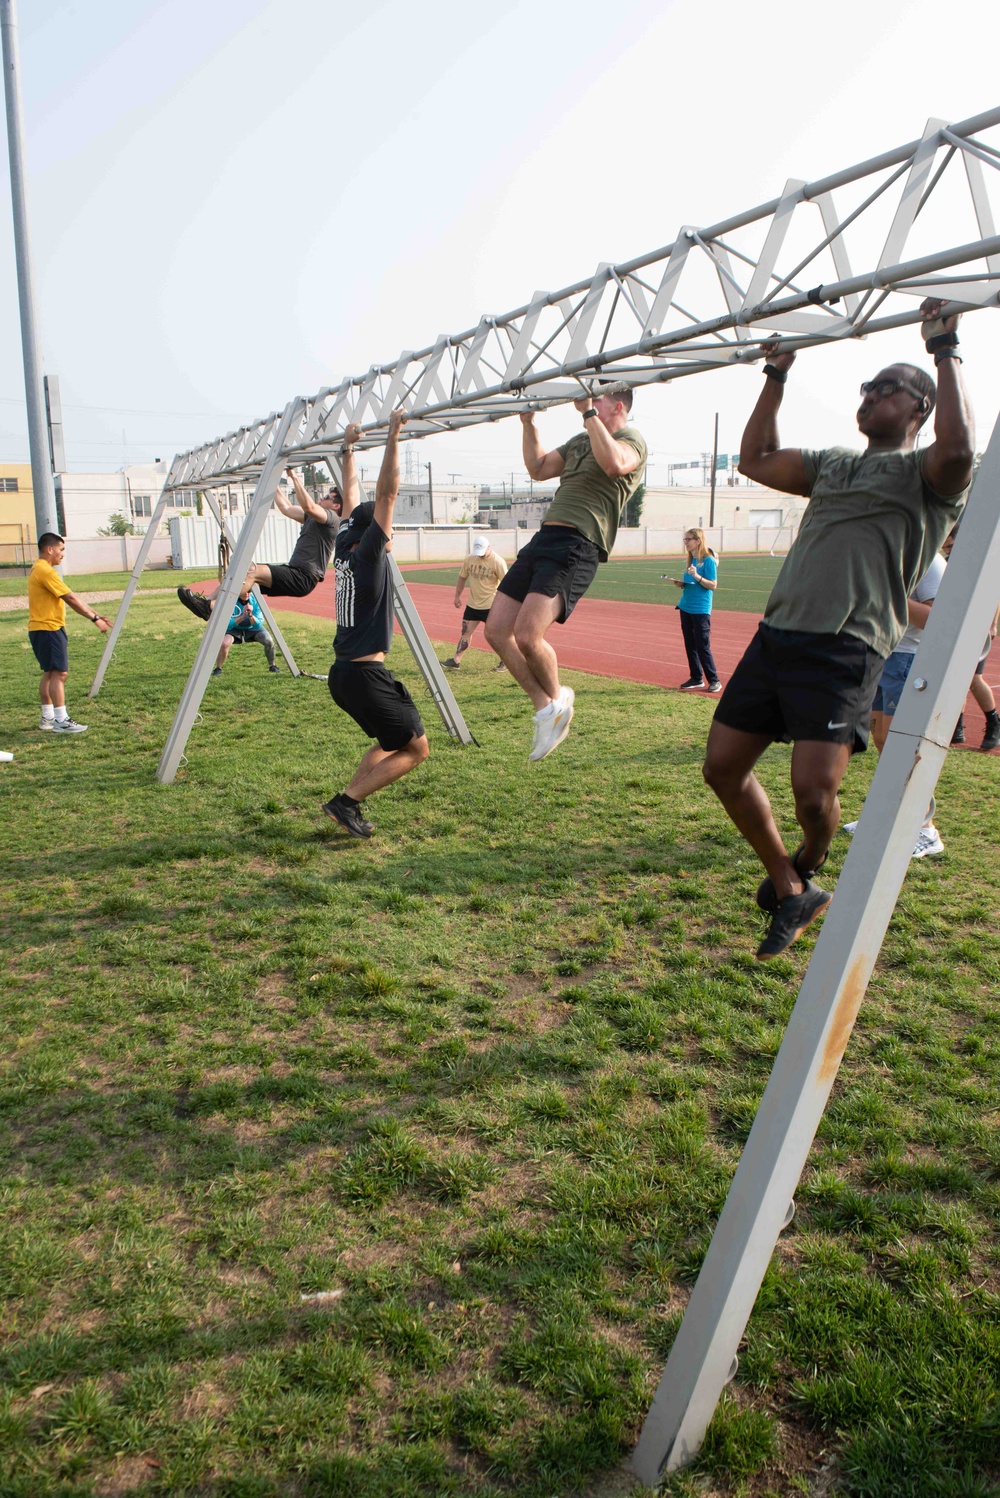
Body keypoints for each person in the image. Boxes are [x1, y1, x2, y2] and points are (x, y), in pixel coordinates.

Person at [703, 297, 973, 959]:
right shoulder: (833, 464)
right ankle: (791, 885)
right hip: (780, 634)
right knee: (722, 768)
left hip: (848, 646)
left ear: (919, 409)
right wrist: (777, 375)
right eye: (866, 387)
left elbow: (962, 448)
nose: (870, 395)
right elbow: (756, 456)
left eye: (887, 389)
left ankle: (811, 856)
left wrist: (944, 348)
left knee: (814, 792)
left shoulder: (927, 477)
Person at [485, 385, 646, 760]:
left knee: (527, 634)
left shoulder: (630, 439)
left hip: (578, 543)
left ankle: (557, 700)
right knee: (495, 630)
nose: (589, 404)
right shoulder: (580, 439)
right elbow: (538, 468)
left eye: (598, 400)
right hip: (545, 537)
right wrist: (528, 423)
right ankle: (547, 706)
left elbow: (614, 465)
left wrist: (588, 415)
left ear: (616, 406)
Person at [324, 410, 429, 838]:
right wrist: (394, 433)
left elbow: (353, 499)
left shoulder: (345, 544)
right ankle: (346, 802)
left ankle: (347, 801)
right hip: (364, 674)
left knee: (391, 740)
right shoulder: (368, 555)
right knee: (417, 748)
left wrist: (347, 450)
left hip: (345, 674)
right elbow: (385, 494)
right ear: (375, 532)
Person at [177, 424, 362, 619]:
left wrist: (295, 478)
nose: (323, 498)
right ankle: (209, 604)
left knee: (251, 571)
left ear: (336, 506)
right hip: (294, 571)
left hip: (305, 577)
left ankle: (213, 607)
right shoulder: (313, 518)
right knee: (243, 569)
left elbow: (308, 506)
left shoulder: (332, 519)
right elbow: (286, 507)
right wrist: (269, 478)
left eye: (328, 497)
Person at [844, 548, 947, 858]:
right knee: (883, 740)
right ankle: (888, 817)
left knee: (905, 747)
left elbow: (933, 617)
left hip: (908, 660)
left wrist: (886, 594)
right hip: (883, 653)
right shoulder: (889, 556)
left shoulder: (929, 561)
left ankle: (925, 829)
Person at [28, 533, 111, 735]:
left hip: (41, 629)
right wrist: (94, 619)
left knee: (49, 672)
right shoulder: (46, 572)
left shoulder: (39, 568)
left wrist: (96, 614)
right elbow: (71, 599)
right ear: (50, 550)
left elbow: (72, 596)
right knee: (59, 673)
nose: (63, 554)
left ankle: (48, 718)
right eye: (61, 549)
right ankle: (61, 720)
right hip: (49, 630)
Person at [943, 526, 1000, 751]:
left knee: (973, 679)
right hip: (953, 626)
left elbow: (993, 591)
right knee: (952, 676)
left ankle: (994, 722)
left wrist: (992, 624)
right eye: (946, 547)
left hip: (975, 627)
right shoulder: (946, 563)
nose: (948, 550)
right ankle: (956, 725)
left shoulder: (977, 561)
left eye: (951, 545)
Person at [444, 535, 508, 670]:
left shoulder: (498, 562)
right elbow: (462, 577)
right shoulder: (470, 559)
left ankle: (505, 662)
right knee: (465, 633)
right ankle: (456, 660)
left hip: (491, 606)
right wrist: (457, 596)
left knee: (496, 636)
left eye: (483, 552)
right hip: (473, 604)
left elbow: (507, 584)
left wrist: (504, 604)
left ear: (489, 548)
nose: (480, 555)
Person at [671, 528, 721, 692]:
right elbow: (691, 583)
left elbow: (712, 585)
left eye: (688, 539)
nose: (685, 543)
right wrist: (680, 583)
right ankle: (696, 677)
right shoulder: (691, 560)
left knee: (702, 645)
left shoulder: (709, 561)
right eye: (684, 540)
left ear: (698, 540)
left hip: (700, 609)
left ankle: (714, 680)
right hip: (686, 606)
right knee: (690, 644)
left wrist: (697, 576)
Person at [211, 587, 280, 676]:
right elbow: (227, 624)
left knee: (269, 641)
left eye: (249, 591)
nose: (246, 593)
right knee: (224, 643)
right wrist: (243, 616)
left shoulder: (256, 600)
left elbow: (258, 624)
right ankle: (218, 668)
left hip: (251, 627)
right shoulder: (230, 600)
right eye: (244, 591)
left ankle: (272, 666)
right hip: (234, 627)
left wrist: (250, 615)